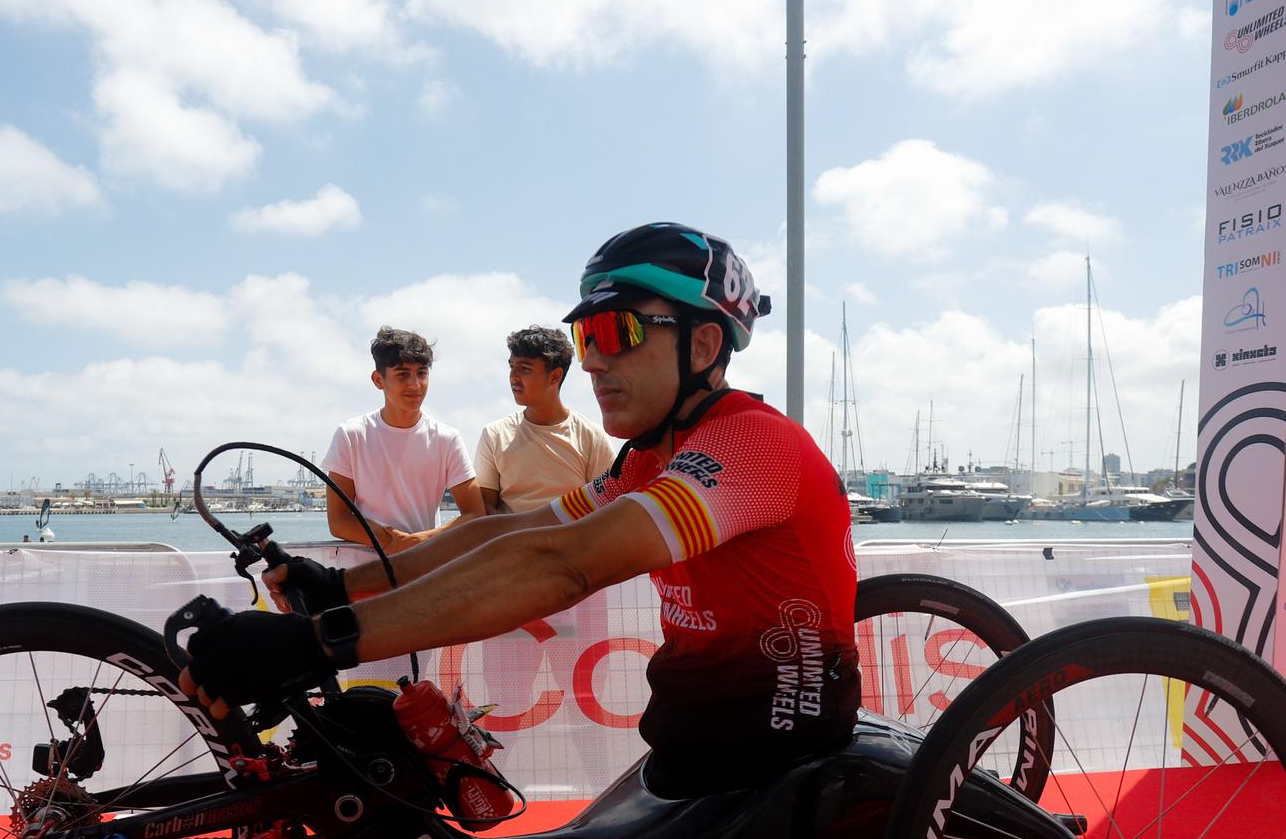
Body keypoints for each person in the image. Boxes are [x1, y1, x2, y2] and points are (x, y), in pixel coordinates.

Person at [186, 222, 861, 786]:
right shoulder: (649, 457)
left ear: (704, 344)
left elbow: (561, 564)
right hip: (696, 730)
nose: (591, 361)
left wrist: (319, 642)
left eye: (615, 329)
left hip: (771, 746)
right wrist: (338, 587)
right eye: (584, 336)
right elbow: (512, 531)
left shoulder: (753, 443)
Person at [323, 327, 487, 554]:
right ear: (378, 380)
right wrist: (393, 542)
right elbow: (338, 520)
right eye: (402, 375)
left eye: (421, 373)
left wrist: (420, 541)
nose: (415, 384)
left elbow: (475, 514)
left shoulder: (447, 438)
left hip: (426, 565)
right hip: (367, 567)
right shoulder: (351, 435)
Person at [473, 326, 616, 514]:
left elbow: (608, 505)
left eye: (524, 368)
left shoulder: (591, 437)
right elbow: (485, 507)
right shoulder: (494, 434)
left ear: (555, 376)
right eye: (511, 366)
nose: (513, 377)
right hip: (511, 541)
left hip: (572, 541)